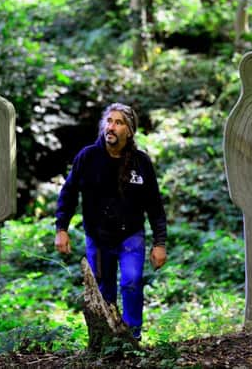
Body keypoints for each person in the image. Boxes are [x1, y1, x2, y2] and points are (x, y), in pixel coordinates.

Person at [54, 102, 167, 340]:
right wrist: (61, 228)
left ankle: (132, 338)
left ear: (129, 130)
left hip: (130, 235)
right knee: (103, 291)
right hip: (97, 237)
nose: (111, 127)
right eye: (109, 121)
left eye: (118, 122)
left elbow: (155, 206)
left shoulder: (140, 162)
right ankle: (106, 341)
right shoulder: (88, 157)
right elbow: (69, 193)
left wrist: (160, 243)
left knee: (132, 281)